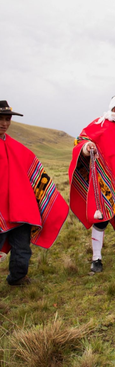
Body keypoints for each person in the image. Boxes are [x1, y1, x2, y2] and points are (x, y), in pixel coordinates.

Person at [69, 94, 115, 273]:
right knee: (101, 218)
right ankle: (96, 258)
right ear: (112, 106)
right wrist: (87, 148)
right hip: (104, 180)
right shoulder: (99, 124)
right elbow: (81, 140)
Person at [0, 101, 69, 285]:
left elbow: (35, 171)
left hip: (20, 211)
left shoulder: (17, 148)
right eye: (1, 119)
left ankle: (18, 277)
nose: (4, 123)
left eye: (7, 119)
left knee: (22, 249)